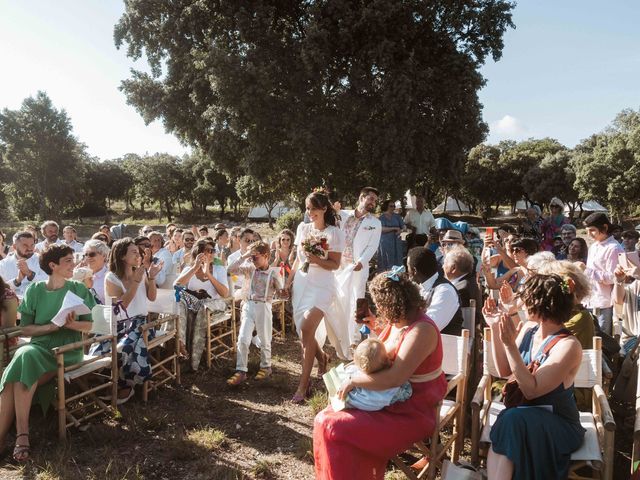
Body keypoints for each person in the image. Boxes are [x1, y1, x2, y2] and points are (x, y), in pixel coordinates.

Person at [313, 272, 446, 479]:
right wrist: (373, 324)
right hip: (386, 401)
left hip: (411, 410)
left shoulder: (422, 330)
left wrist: (353, 380)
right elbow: (389, 351)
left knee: (333, 426)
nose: (380, 310)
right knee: (323, 419)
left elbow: (395, 377)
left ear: (391, 304)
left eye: (380, 305)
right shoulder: (399, 322)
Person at [0, 245, 96, 462]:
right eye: (68, 261)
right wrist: (50, 327)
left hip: (66, 351)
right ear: (53, 265)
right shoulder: (34, 290)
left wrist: (70, 325)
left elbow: (91, 326)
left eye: (73, 260)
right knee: (25, 358)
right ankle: (20, 435)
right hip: (38, 348)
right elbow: (24, 328)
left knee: (19, 364)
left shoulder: (79, 289)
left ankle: (12, 436)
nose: (75, 264)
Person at [486, 274, 585, 480]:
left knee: (511, 419)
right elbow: (504, 370)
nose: (521, 303)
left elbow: (532, 390)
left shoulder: (568, 345)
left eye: (526, 298)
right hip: (521, 418)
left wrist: (510, 345)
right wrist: (495, 328)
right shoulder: (530, 330)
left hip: (559, 425)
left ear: (542, 305)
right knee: (510, 419)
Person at [285, 190, 344, 403]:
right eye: (307, 208)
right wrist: (288, 281)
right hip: (302, 284)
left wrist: (317, 259)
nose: (309, 212)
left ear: (324, 208)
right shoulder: (303, 229)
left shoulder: (335, 233)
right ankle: (322, 357)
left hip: (322, 287)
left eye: (313, 208)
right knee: (304, 333)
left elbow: (335, 265)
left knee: (306, 329)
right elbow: (297, 260)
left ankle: (303, 385)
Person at [92, 238, 162, 404]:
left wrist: (150, 278)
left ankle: (126, 386)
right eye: (134, 252)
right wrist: (136, 281)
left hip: (142, 324)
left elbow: (152, 297)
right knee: (102, 348)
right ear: (122, 256)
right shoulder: (111, 278)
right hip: (119, 324)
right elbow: (122, 305)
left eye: (138, 252)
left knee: (124, 347)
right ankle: (111, 383)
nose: (139, 255)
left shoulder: (141, 272)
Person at [227, 241, 283, 385]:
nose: (252, 260)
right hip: (248, 306)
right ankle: (241, 370)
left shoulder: (273, 273)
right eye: (251, 257)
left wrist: (284, 292)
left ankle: (266, 366)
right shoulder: (249, 268)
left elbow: (282, 293)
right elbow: (230, 270)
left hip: (264, 307)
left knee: (265, 339)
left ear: (266, 256)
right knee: (243, 338)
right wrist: (244, 256)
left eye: (255, 257)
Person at [336, 187, 381, 353]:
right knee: (341, 300)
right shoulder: (342, 215)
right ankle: (340, 335)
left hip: (357, 268)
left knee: (357, 301)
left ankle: (354, 341)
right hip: (339, 266)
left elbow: (372, 246)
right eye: (370, 199)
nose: (373, 203)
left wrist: (362, 261)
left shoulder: (375, 223)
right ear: (362, 198)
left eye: (375, 201)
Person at [174, 238, 229, 370]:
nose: (210, 254)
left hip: (214, 304)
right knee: (178, 303)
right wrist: (195, 268)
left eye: (212, 251)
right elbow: (176, 286)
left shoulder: (219, 269)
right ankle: (180, 346)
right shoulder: (189, 268)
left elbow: (225, 293)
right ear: (198, 253)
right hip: (193, 304)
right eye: (207, 251)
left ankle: (194, 360)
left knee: (203, 308)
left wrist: (208, 274)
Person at [341, 338, 412, 411]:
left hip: (352, 402)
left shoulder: (353, 372)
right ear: (387, 361)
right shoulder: (387, 389)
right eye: (386, 354)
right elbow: (406, 392)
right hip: (368, 408)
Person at [582, 212, 623, 336]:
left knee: (601, 343)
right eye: (587, 231)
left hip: (604, 303)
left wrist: (587, 270)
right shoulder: (593, 246)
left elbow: (612, 278)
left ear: (604, 228)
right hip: (589, 300)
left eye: (593, 230)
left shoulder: (614, 248)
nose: (589, 234)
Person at [407, 247, 463, 335]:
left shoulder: (445, 291)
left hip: (445, 346)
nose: (407, 273)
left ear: (414, 271)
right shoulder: (420, 287)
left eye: (408, 268)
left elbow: (428, 327)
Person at [0, 231, 48, 297]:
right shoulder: (3, 264)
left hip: (39, 301)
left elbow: (49, 282)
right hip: (14, 304)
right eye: (25, 245)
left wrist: (30, 274)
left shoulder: (42, 260)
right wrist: (17, 280)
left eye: (32, 245)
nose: (30, 248)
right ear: (14, 246)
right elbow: (2, 289)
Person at [78, 239, 110, 304]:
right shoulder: (81, 274)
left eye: (92, 254)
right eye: (86, 254)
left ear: (104, 256)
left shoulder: (110, 277)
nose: (88, 257)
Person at [377, 199, 404, 272]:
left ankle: (398, 278)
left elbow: (403, 227)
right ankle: (385, 277)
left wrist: (400, 230)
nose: (393, 207)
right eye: (391, 206)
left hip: (396, 242)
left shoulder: (397, 217)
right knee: (385, 260)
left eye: (394, 206)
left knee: (397, 259)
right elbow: (382, 229)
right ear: (386, 206)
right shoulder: (381, 218)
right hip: (385, 242)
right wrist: (394, 228)